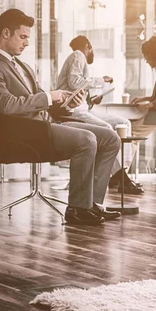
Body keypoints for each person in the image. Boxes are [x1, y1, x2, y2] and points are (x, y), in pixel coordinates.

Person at [0, 8, 122, 226]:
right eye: (22, 37)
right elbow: (5, 106)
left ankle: (92, 205)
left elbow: (45, 102)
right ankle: (78, 209)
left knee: (110, 137)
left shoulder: (22, 65)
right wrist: (48, 97)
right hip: (21, 135)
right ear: (5, 33)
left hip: (43, 126)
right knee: (87, 139)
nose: (26, 43)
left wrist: (67, 102)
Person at [56, 35, 143, 195]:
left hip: (84, 108)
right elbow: (75, 82)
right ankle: (120, 176)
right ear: (88, 46)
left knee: (124, 123)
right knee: (108, 129)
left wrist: (93, 99)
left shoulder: (77, 58)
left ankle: (121, 172)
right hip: (73, 111)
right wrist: (101, 80)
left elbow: (77, 88)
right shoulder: (78, 54)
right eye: (92, 49)